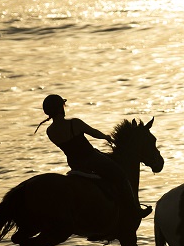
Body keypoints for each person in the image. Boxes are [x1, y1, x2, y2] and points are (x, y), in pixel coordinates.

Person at [35, 94, 148, 230]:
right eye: (63, 106)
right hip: (92, 158)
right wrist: (106, 137)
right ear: (60, 109)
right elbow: (93, 133)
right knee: (121, 175)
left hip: (75, 164)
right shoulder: (74, 123)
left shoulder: (50, 131)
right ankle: (135, 209)